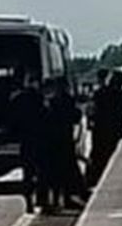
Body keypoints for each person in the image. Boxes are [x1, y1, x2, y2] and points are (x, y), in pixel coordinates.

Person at [8, 73, 51, 214]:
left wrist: (15, 135)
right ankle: (42, 201)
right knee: (42, 173)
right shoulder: (39, 98)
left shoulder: (16, 99)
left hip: (25, 141)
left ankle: (29, 204)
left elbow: (12, 121)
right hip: (40, 140)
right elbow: (45, 117)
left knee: (27, 174)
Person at [46, 79, 87, 210]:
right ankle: (68, 198)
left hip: (54, 140)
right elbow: (76, 116)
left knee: (56, 172)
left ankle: (57, 200)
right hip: (65, 139)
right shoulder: (68, 101)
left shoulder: (51, 102)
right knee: (68, 170)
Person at [88, 68, 122, 186]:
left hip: (100, 130)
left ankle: (93, 180)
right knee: (111, 156)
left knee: (98, 156)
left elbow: (92, 110)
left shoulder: (100, 92)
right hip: (114, 131)